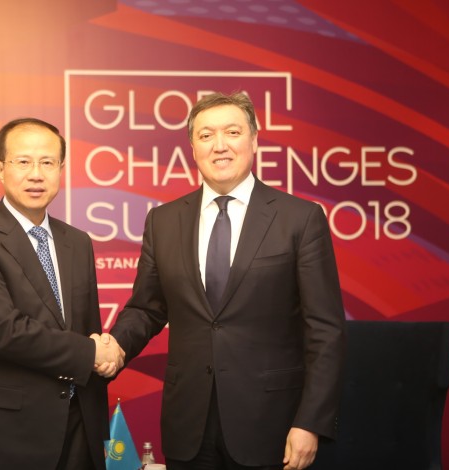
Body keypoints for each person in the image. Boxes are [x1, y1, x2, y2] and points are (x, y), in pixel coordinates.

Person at [108, 92, 346, 470]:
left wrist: (311, 422)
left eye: (232, 132)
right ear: (192, 148)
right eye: (206, 136)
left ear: (254, 140)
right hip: (189, 426)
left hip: (272, 425)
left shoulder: (300, 219)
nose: (219, 145)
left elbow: (325, 329)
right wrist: (114, 348)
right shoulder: (163, 221)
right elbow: (147, 308)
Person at [0, 117, 124, 470]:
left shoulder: (78, 241)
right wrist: (92, 352)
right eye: (23, 162)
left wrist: (104, 356)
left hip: (80, 427)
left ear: (61, 169)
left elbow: (86, 329)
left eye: (47, 162)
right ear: (0, 168)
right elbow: (0, 332)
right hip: (9, 434)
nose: (36, 174)